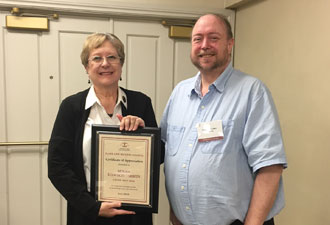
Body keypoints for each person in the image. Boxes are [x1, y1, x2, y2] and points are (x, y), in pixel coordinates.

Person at [160, 14, 287, 225]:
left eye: (214, 38)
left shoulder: (252, 92)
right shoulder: (179, 93)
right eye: (198, 39)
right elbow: (170, 157)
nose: (204, 45)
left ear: (230, 44)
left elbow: (270, 167)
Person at [48, 33, 157, 225]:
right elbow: (57, 166)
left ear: (121, 64)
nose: (105, 63)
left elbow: (159, 156)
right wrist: (92, 207)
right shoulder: (71, 107)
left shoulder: (141, 102)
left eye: (112, 57)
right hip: (87, 213)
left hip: (134, 213)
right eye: (97, 58)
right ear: (86, 67)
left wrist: (143, 132)